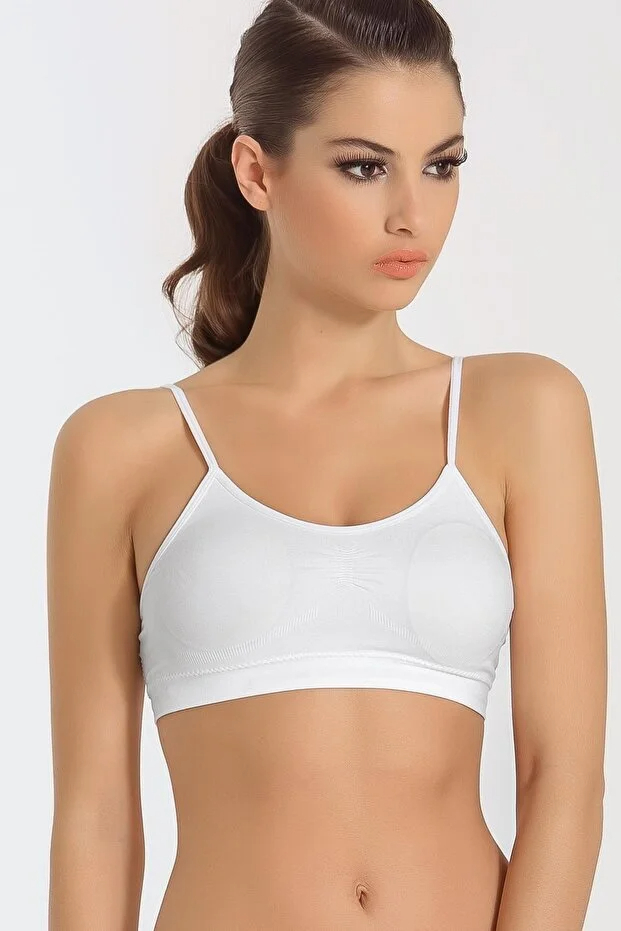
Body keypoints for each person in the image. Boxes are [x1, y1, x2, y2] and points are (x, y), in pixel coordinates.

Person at [46, 1, 607, 929]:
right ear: (256, 171)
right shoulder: (122, 447)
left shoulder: (522, 412)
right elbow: (95, 818)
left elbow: (565, 780)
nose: (412, 213)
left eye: (441, 165)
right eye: (363, 167)